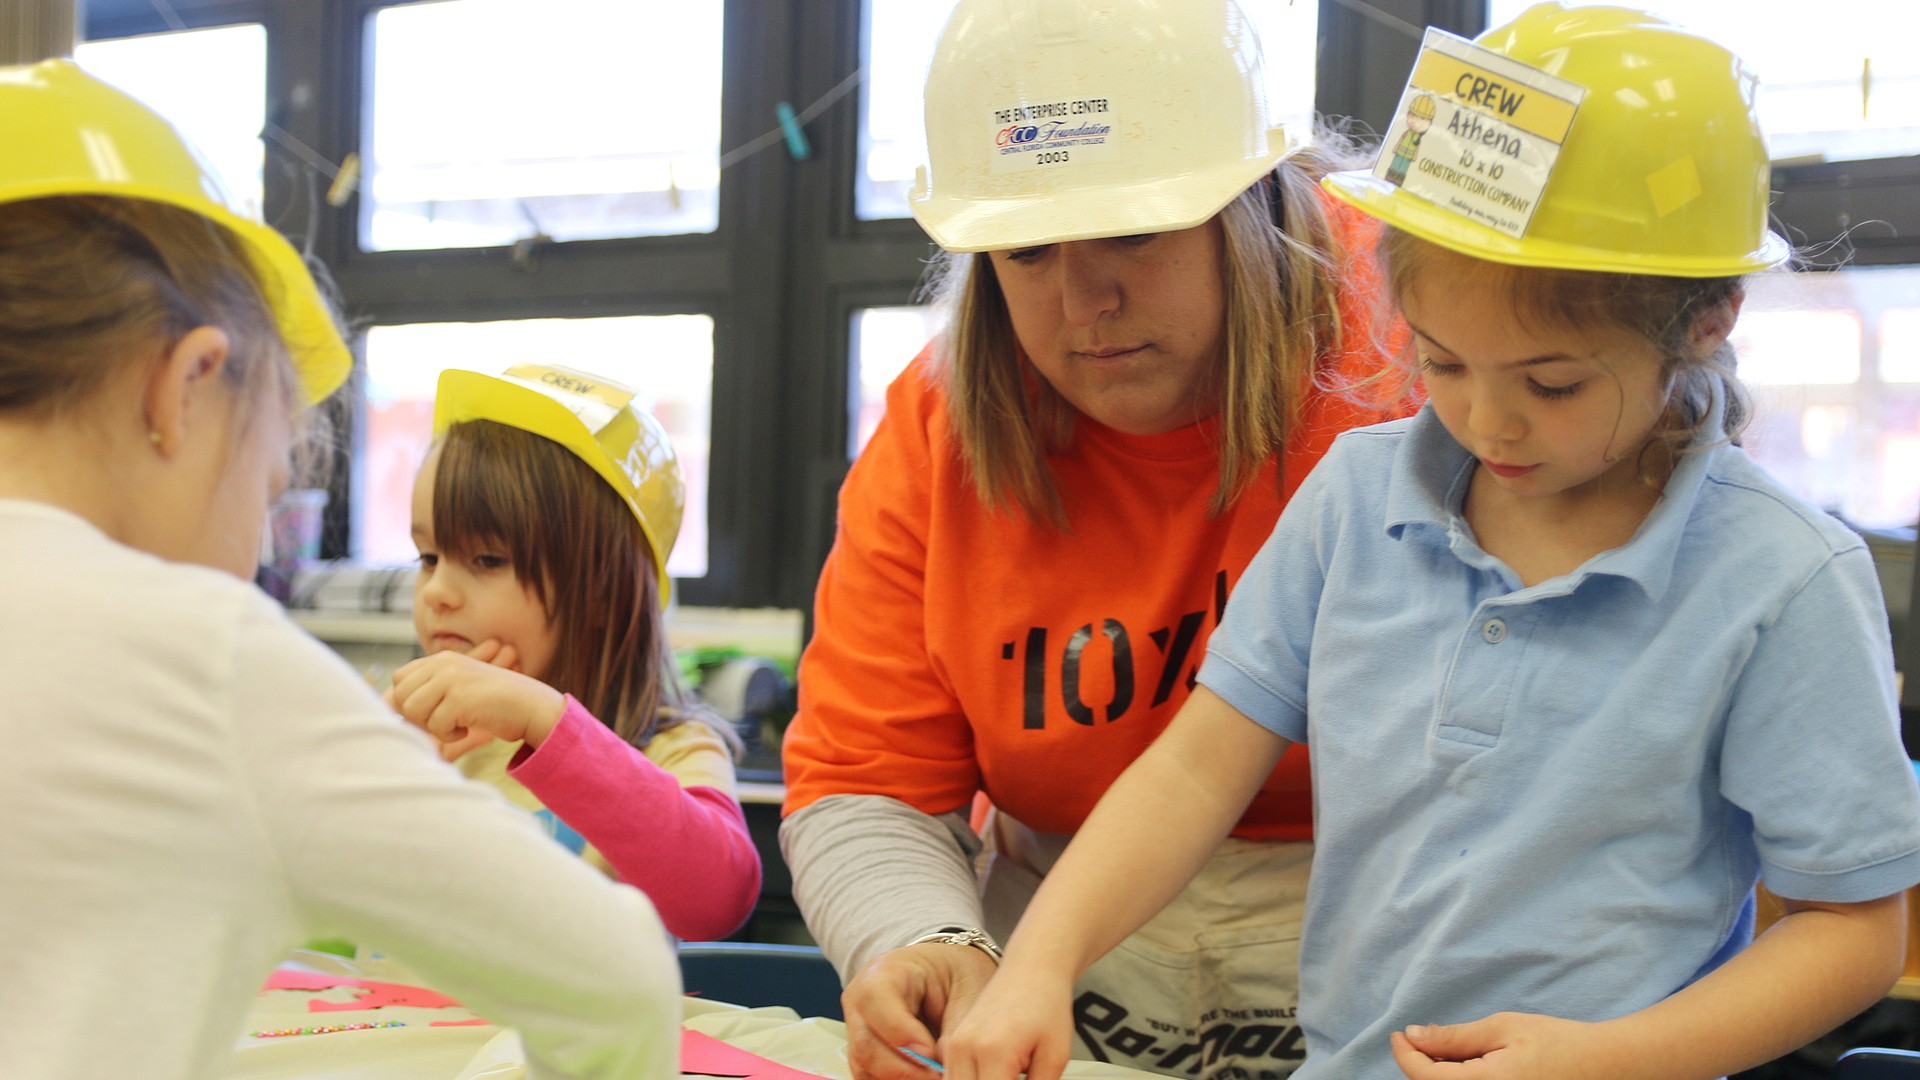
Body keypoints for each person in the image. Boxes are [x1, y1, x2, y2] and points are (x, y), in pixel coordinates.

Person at [940, 7, 1920, 1080]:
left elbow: (1853, 930)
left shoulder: (1783, 580)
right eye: (1444, 364)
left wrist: (1612, 1059)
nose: (1487, 423)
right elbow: (1189, 775)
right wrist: (1039, 960)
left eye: (1552, 383)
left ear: (1707, 319)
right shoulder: (1358, 498)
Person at [0, 61, 680, 1079]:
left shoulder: (649, 741)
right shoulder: (205, 659)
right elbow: (617, 982)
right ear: (184, 387)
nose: (442, 589)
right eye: (268, 485)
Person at [777, 1, 1411, 1077]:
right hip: (1063, 972)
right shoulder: (938, 427)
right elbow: (865, 778)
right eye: (1023, 251)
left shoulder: (1424, 353)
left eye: (1135, 229)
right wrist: (924, 941)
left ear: (1252, 198)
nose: (1085, 302)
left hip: (1392, 945)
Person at [387, 362, 762, 941]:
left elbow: (718, 900)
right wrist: (377, 762)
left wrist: (546, 720)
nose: (436, 591)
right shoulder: (398, 727)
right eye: (428, 558)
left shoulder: (673, 749)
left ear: (601, 590)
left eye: (487, 560)